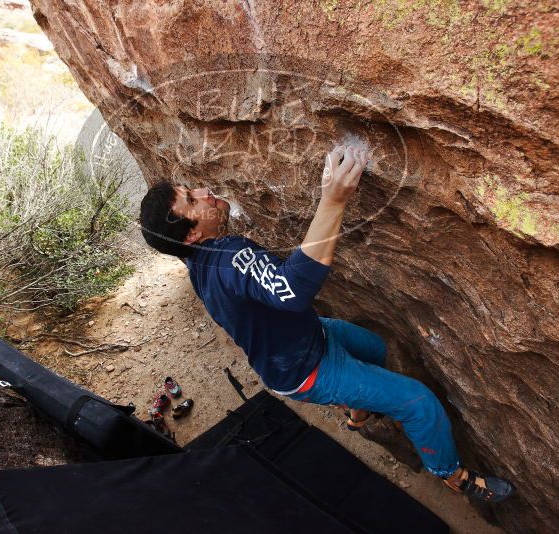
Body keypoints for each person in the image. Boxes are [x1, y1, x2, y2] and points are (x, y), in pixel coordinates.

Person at [139, 145, 514, 502]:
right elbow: (292, 289)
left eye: (192, 189)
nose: (204, 191)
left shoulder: (198, 263)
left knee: (377, 349)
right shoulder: (229, 256)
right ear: (191, 233)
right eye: (192, 199)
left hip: (305, 342)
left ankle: (358, 413)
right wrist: (333, 199)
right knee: (419, 403)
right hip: (308, 370)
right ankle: (452, 476)